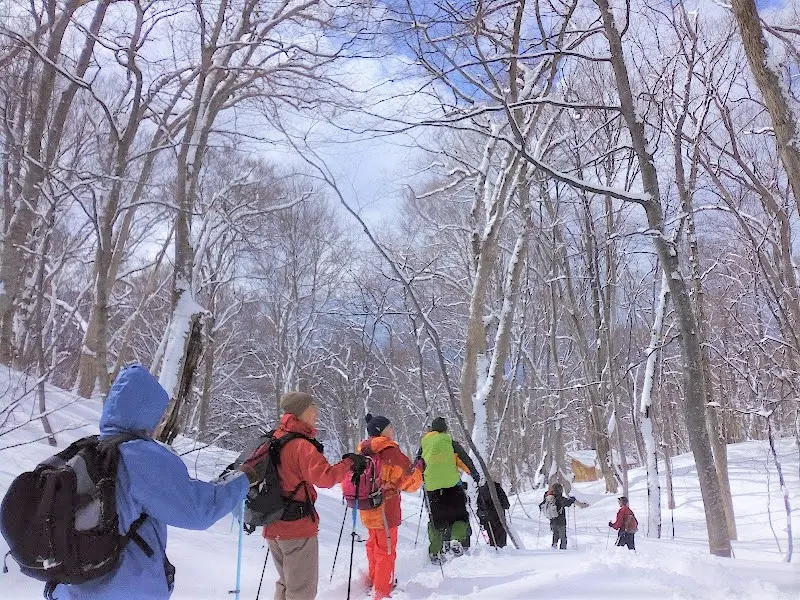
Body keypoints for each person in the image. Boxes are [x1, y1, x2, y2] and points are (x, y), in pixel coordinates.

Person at [54, 364, 255, 600]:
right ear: (145, 412)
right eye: (159, 416)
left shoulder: (87, 449)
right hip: (121, 589)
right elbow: (198, 510)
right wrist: (244, 479)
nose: (160, 424)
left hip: (71, 588)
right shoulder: (139, 456)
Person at [262, 391, 365, 600]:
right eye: (312, 407)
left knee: (286, 584)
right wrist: (350, 463)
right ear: (301, 411)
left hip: (273, 524)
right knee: (301, 592)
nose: (316, 412)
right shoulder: (301, 445)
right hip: (296, 528)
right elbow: (325, 478)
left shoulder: (275, 437)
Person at [356, 414, 422, 600]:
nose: (393, 429)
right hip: (386, 508)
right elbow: (411, 483)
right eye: (390, 427)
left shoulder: (363, 451)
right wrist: (418, 469)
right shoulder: (390, 451)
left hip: (367, 506)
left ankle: (375, 580)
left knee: (373, 545)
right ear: (381, 431)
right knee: (386, 549)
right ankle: (382, 591)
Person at [417, 416, 480, 563]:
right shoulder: (451, 443)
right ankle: (456, 539)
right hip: (452, 486)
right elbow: (464, 460)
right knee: (460, 516)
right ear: (445, 429)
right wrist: (474, 473)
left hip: (432, 489)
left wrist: (421, 481)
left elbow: (418, 465)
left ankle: (435, 552)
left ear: (432, 430)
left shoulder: (424, 445)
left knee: (436, 520)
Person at [539, 482, 587, 549]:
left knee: (555, 535)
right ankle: (563, 551)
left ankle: (554, 547)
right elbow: (567, 503)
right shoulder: (559, 498)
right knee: (563, 537)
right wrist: (572, 499)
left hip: (552, 520)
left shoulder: (547, 498)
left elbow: (541, 506)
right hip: (561, 521)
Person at [476, 478, 510, 548]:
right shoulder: (498, 488)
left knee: (492, 537)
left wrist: (482, 520)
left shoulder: (481, 490)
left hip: (488, 517)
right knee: (501, 537)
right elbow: (506, 504)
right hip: (499, 516)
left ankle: (494, 550)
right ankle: (502, 550)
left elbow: (479, 506)